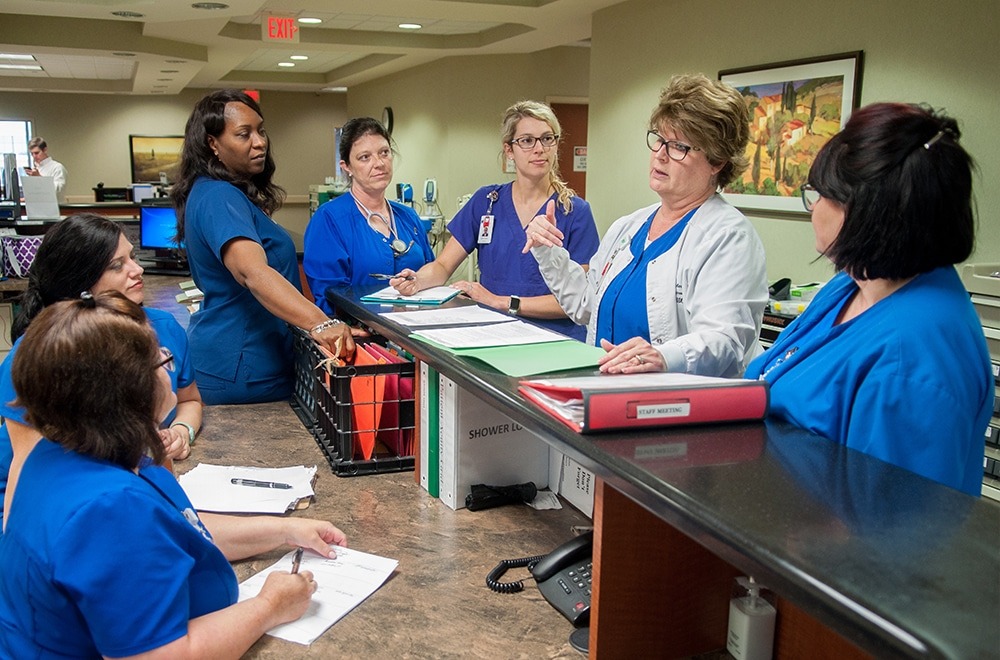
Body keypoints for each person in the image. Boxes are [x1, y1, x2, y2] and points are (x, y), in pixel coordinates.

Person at [0, 292, 348, 657]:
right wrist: (269, 606)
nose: (169, 367)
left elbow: (178, 529)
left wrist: (285, 531)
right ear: (124, 390)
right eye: (160, 360)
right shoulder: (108, 508)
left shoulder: (71, 448)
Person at [744, 103, 992, 496]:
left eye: (819, 195)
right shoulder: (851, 285)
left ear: (866, 211)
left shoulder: (911, 358)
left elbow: (882, 535)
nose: (813, 210)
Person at [523, 74, 768, 374]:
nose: (660, 154)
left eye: (678, 146)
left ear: (717, 162)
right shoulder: (629, 227)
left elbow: (726, 339)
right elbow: (587, 306)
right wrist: (548, 252)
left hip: (674, 407)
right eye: (659, 140)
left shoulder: (728, 237)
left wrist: (663, 356)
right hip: (606, 394)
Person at [0, 213, 202, 520]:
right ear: (79, 283)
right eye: (117, 265)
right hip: (56, 507)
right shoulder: (39, 355)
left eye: (133, 257)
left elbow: (189, 399)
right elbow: (26, 471)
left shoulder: (165, 327)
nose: (138, 270)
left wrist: (180, 430)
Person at [172, 89, 364, 405]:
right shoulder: (219, 196)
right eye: (243, 134)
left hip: (244, 358)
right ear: (213, 144)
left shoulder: (217, 193)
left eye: (260, 130)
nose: (259, 141)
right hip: (243, 366)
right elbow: (252, 272)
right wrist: (323, 323)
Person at [392, 100, 600, 341]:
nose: (539, 148)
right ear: (509, 149)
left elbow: (582, 301)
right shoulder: (487, 202)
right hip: (492, 333)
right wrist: (416, 281)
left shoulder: (575, 212)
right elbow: (442, 267)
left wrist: (502, 302)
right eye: (527, 140)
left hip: (555, 339)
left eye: (547, 138)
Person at [304, 117, 434, 314]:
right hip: (360, 332)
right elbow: (329, 297)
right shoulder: (329, 220)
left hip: (416, 329)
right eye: (365, 157)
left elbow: (430, 274)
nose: (379, 163)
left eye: (384, 153)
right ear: (346, 166)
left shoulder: (408, 217)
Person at [25, 136, 68, 203]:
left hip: (54, 209)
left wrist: (39, 178)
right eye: (32, 153)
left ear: (45, 150)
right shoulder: (36, 169)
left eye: (36, 153)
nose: (34, 156)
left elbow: (58, 191)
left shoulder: (57, 167)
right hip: (37, 207)